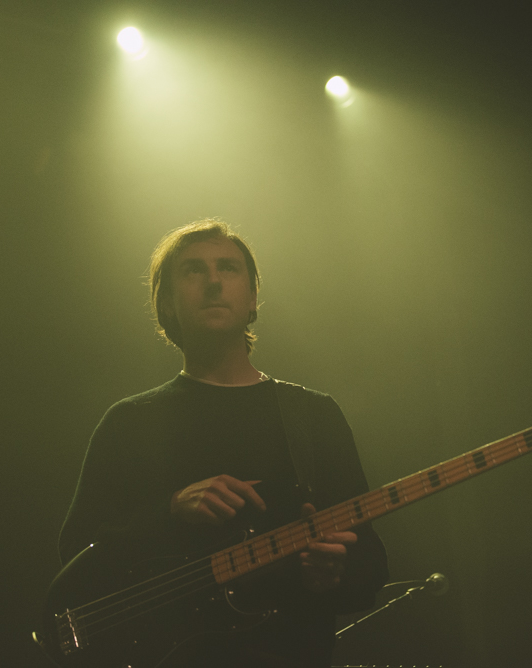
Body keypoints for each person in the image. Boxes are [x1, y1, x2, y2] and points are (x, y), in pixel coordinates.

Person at [58, 219, 389, 667]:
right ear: (167, 303)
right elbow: (76, 561)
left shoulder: (313, 416)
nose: (213, 282)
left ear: (253, 299)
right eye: (193, 270)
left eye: (228, 269)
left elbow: (371, 565)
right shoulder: (129, 422)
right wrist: (170, 510)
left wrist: (334, 571)